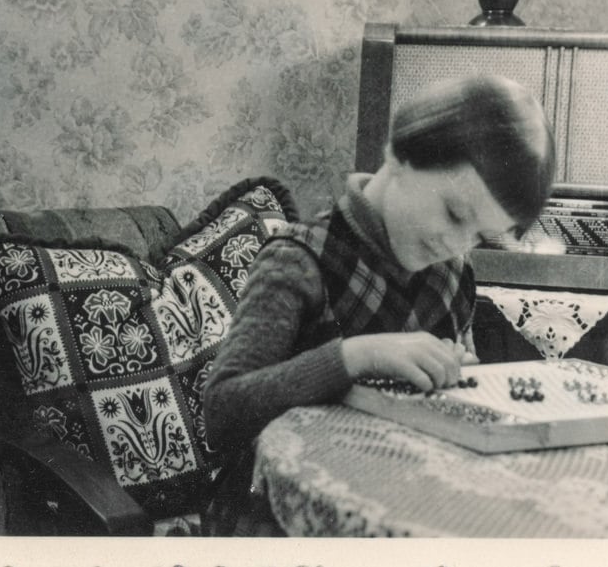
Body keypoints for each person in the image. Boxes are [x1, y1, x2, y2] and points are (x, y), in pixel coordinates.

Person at [201, 74, 555, 531]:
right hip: (274, 522)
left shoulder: (452, 273)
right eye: (454, 214)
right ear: (399, 154)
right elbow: (221, 414)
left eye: (479, 235)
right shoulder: (298, 261)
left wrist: (459, 375)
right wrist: (355, 357)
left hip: (398, 511)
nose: (456, 244)